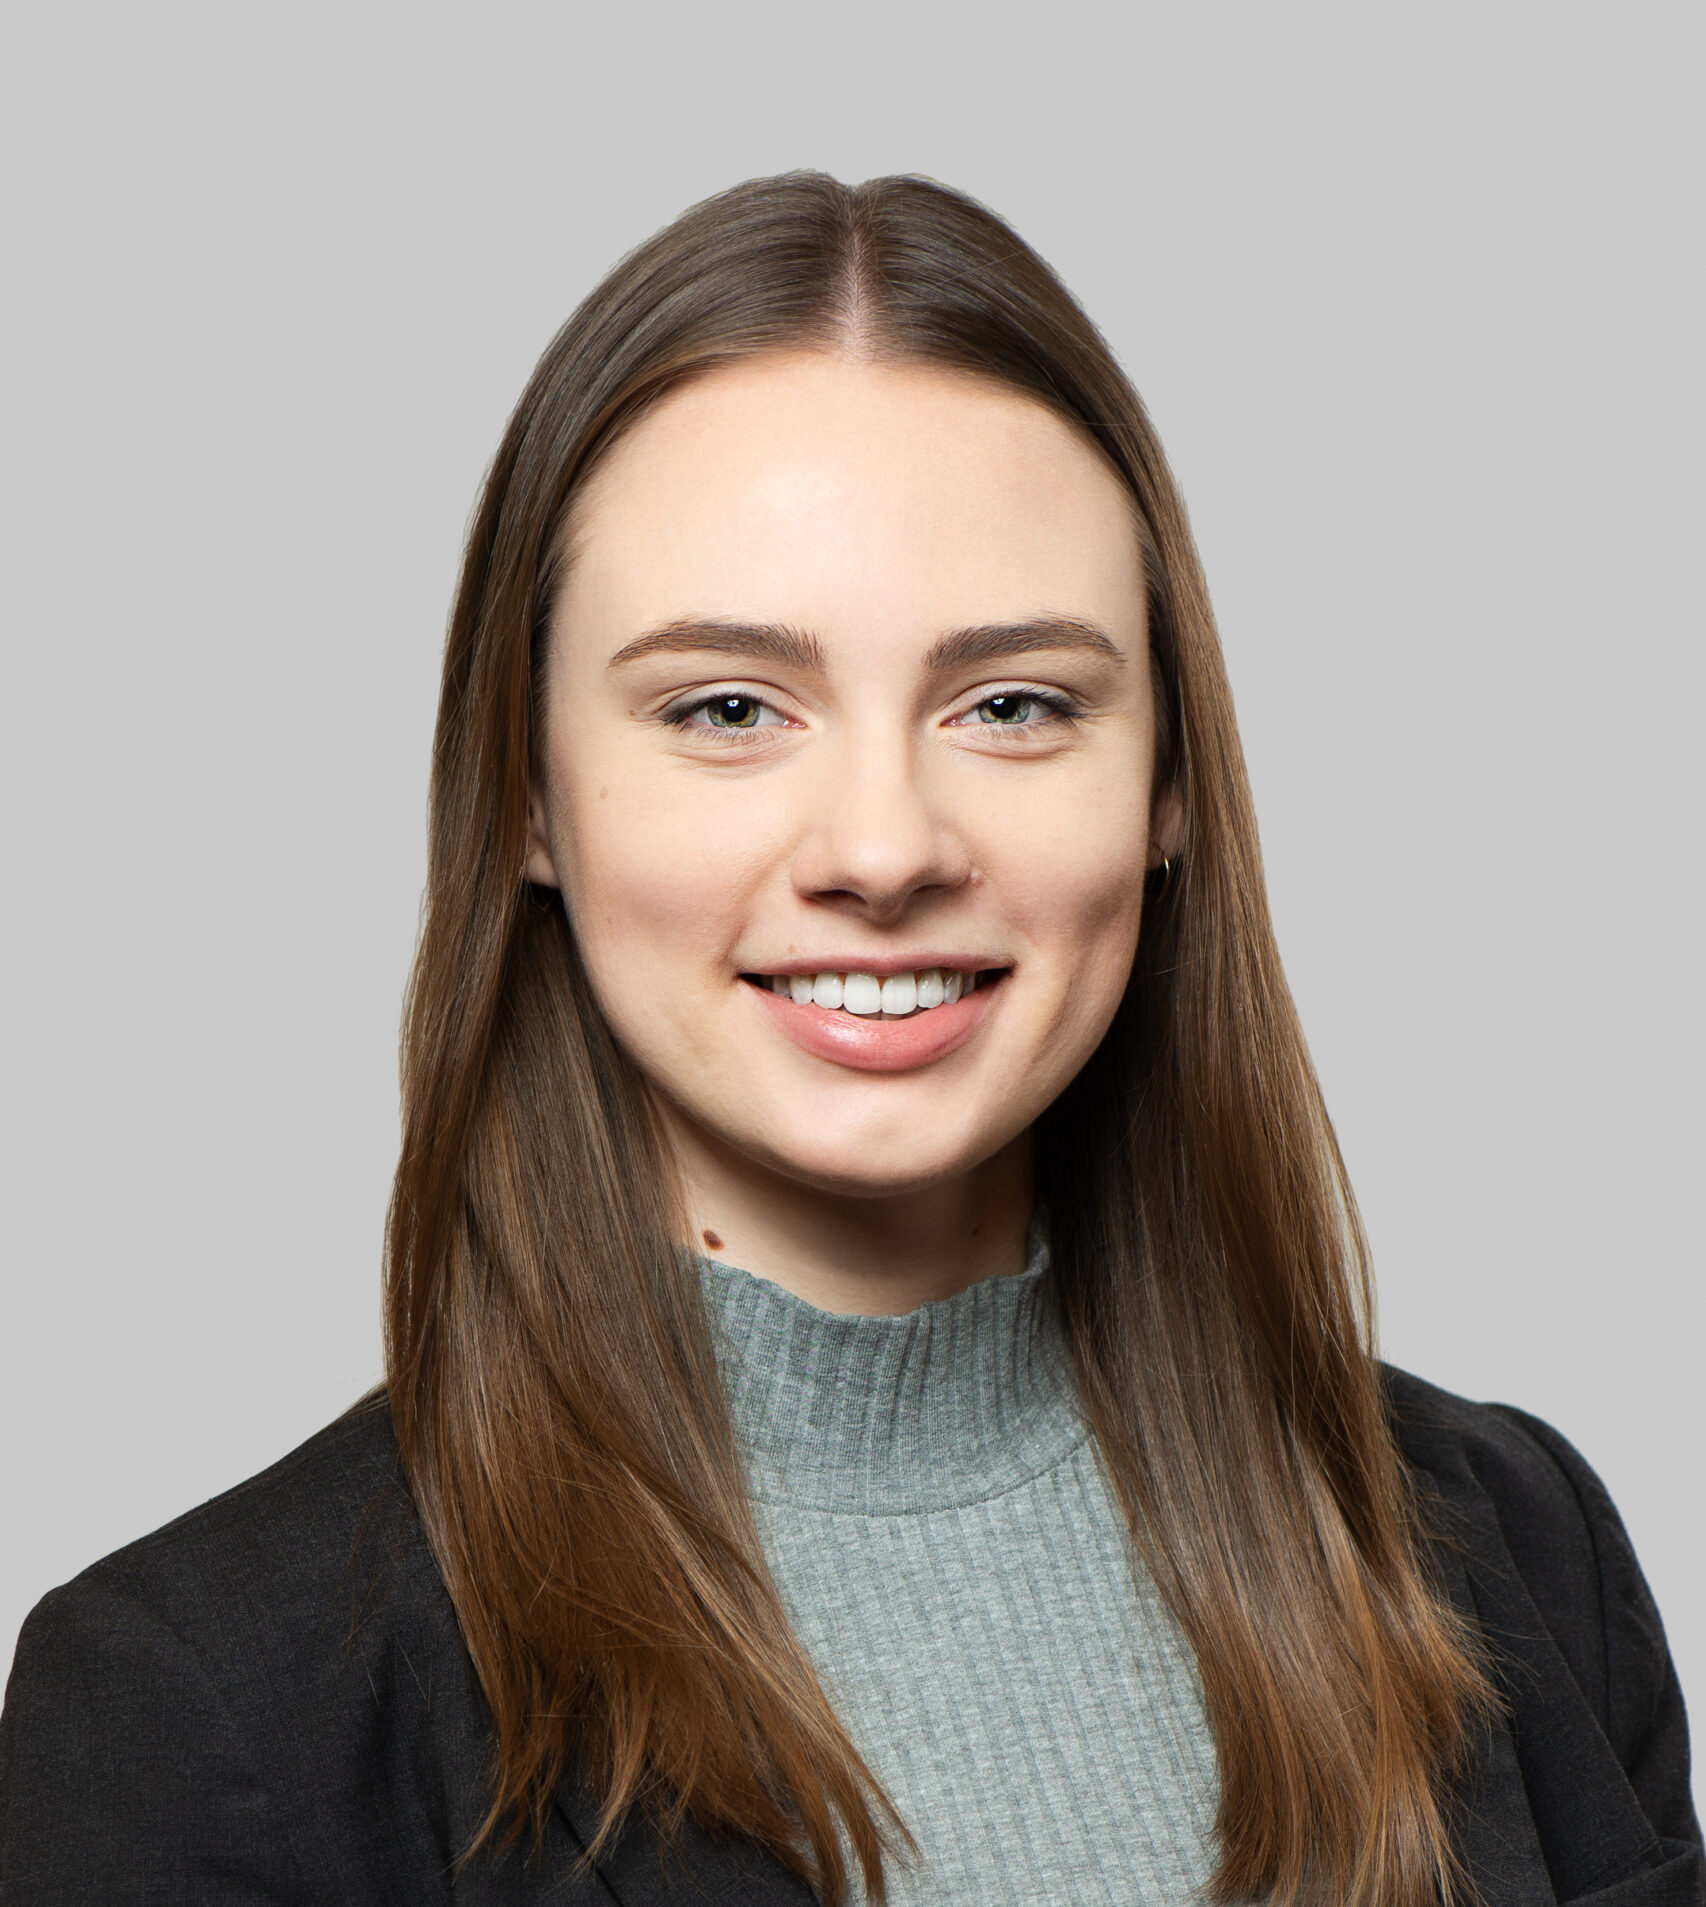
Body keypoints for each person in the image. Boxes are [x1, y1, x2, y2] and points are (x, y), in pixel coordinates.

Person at [0, 172, 1697, 1907]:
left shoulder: (1517, 1554)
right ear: (525, 793)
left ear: (1168, 784)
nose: (882, 849)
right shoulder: (198, 1706)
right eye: (726, 709)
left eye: (1014, 703)